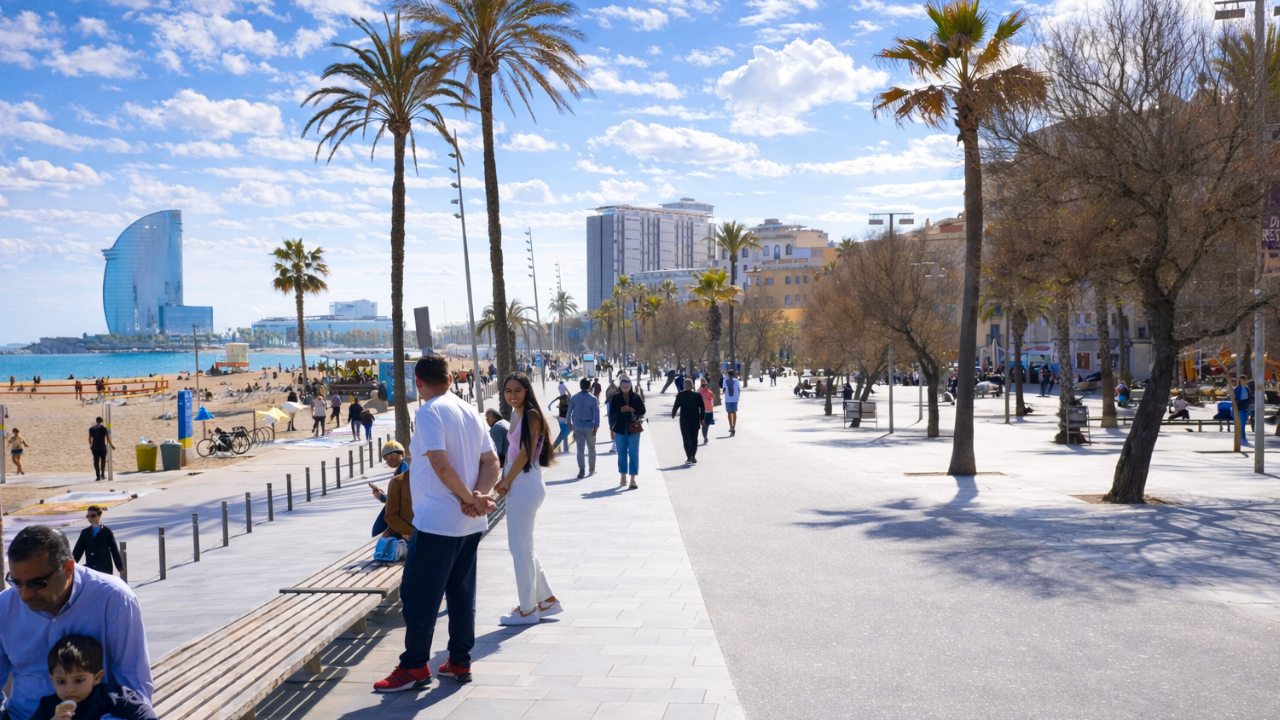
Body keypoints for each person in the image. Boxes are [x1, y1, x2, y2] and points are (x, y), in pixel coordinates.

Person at [374, 355, 499, 693]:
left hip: (438, 523)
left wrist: (467, 498)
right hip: (469, 525)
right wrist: (477, 494)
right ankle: (459, 660)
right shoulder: (470, 411)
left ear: (417, 381)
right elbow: (492, 461)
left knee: (419, 596)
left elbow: (441, 466)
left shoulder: (429, 412)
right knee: (461, 594)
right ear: (450, 377)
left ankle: (414, 666)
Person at [0, 526, 152, 720]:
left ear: (68, 569)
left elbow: (134, 687)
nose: (25, 594)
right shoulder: (4, 605)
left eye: (37, 583)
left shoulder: (113, 597)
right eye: (16, 582)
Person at [494, 372, 560, 626]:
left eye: (517, 391)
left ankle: (527, 610)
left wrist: (506, 480)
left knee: (519, 549)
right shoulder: (516, 413)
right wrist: (506, 478)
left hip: (524, 482)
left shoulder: (531, 414)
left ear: (526, 391)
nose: (512, 395)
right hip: (521, 482)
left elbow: (523, 453)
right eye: (508, 391)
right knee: (523, 547)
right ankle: (546, 600)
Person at [29, 634, 156, 720]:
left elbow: (144, 714)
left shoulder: (108, 696)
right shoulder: (48, 706)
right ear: (52, 679)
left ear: (97, 677)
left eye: (78, 680)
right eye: (61, 681)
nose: (70, 689)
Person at [607, 377, 645, 489]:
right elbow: (612, 412)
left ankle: (633, 480)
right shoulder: (615, 397)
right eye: (623, 384)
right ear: (620, 385)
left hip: (633, 428)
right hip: (620, 428)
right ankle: (623, 476)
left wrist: (633, 410)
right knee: (621, 453)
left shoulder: (636, 397)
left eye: (627, 384)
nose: (625, 386)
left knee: (634, 453)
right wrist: (621, 410)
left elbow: (642, 411)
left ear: (630, 385)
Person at [369, 441, 409, 537]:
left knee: (378, 530)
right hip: (401, 509)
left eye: (386, 457)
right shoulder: (402, 467)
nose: (386, 461)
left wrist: (383, 497)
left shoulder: (403, 469)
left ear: (393, 455)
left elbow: (404, 497)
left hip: (403, 512)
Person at [71, 507, 124, 577]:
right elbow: (78, 550)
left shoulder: (106, 532)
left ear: (99, 515)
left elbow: (114, 550)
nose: (90, 518)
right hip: (91, 568)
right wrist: (71, 565)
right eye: (88, 516)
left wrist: (120, 567)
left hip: (105, 568)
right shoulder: (85, 532)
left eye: (93, 516)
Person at [568, 378, 599, 478]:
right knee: (591, 447)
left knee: (580, 449)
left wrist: (569, 422)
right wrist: (596, 426)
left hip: (577, 425)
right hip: (590, 425)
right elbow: (597, 413)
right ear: (589, 386)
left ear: (580, 386)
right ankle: (592, 467)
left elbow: (569, 411)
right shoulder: (593, 398)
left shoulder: (574, 397)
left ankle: (581, 469)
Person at [671, 379, 703, 464]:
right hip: (695, 419)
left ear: (684, 386)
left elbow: (676, 405)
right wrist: (702, 418)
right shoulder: (697, 395)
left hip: (684, 420)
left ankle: (689, 456)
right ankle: (693, 455)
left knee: (686, 438)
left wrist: (673, 414)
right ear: (692, 386)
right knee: (694, 438)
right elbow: (702, 407)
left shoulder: (681, 395)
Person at [547, 388, 571, 454]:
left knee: (564, 433)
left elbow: (550, 403)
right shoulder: (568, 399)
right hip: (566, 418)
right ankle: (560, 448)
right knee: (564, 433)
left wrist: (549, 407)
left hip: (561, 418)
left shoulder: (560, 398)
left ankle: (561, 448)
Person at [723, 370, 741, 436]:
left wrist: (723, 392)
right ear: (734, 374)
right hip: (735, 398)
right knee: (734, 412)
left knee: (729, 412)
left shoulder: (725, 380)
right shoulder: (736, 381)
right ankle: (734, 426)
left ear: (728, 374)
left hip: (728, 399)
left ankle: (730, 425)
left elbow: (724, 389)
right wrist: (738, 396)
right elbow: (739, 389)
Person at [698, 379, 715, 443]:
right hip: (707, 411)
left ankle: (705, 437)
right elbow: (713, 398)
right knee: (706, 425)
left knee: (705, 425)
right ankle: (705, 437)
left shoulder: (699, 392)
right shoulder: (709, 392)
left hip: (704, 411)